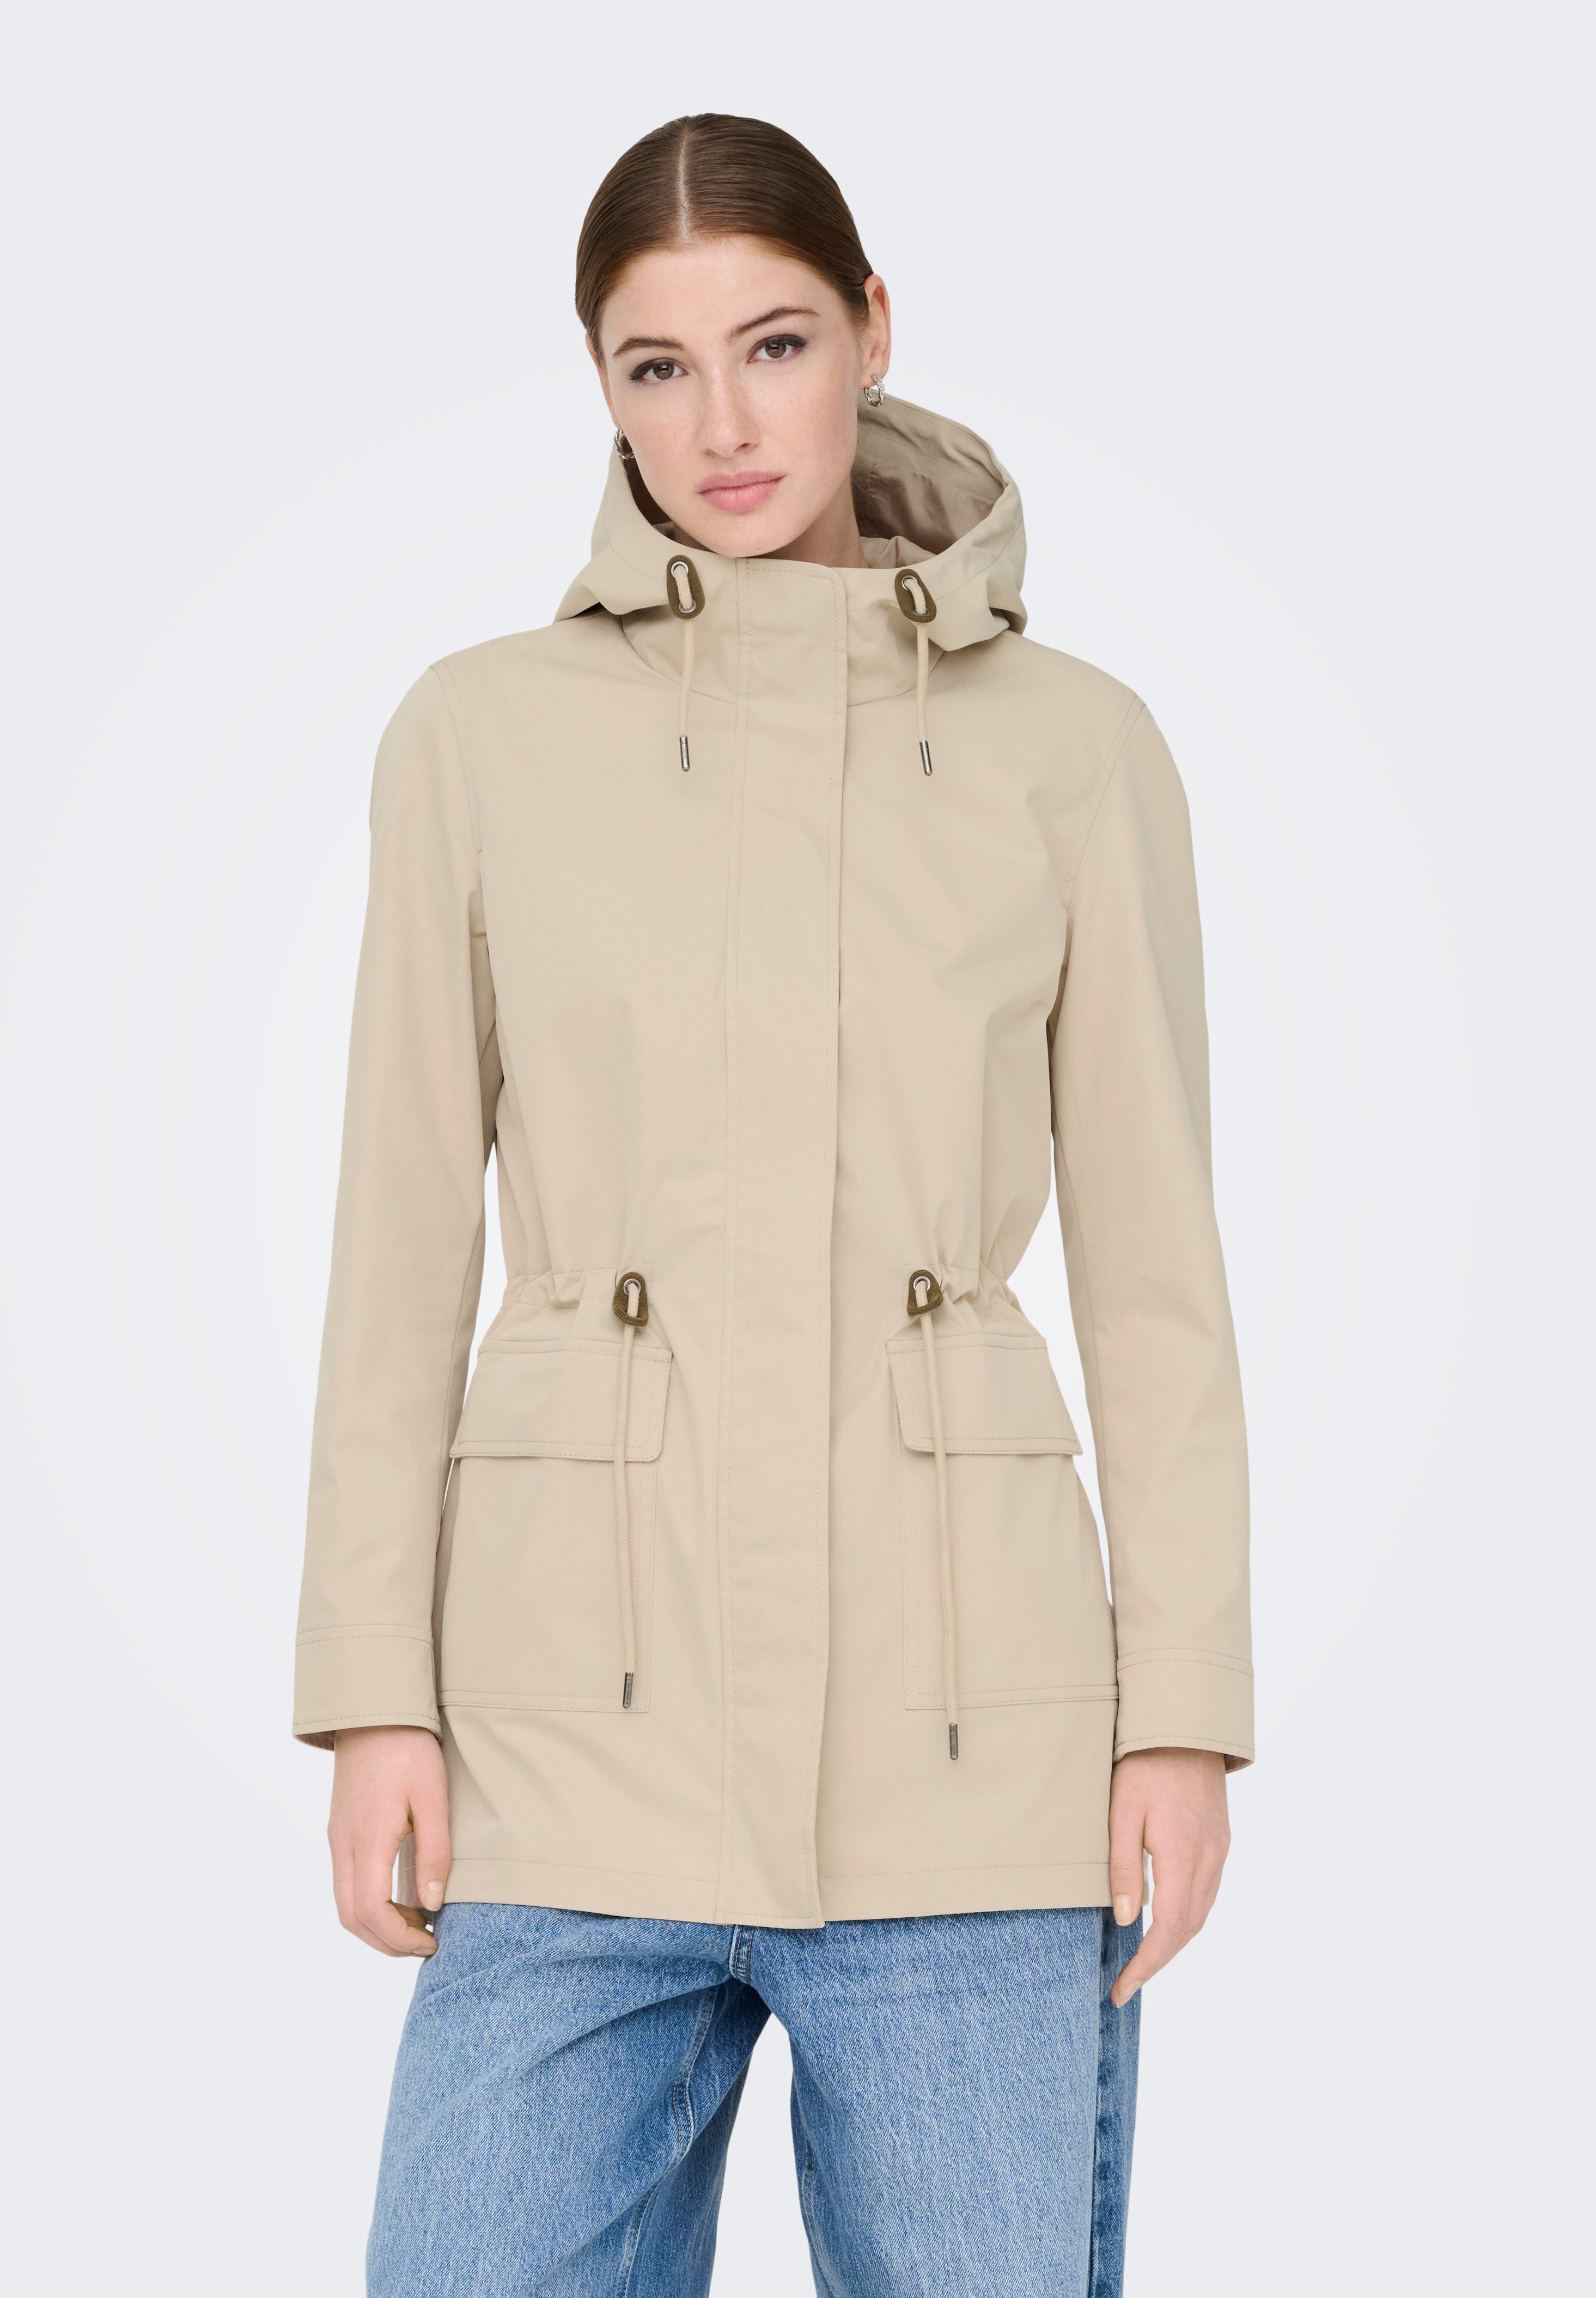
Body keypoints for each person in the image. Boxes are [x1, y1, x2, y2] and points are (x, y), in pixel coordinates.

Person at [295, 112, 1252, 2298]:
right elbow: (394, 1245)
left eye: (775, 344)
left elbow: (1155, 1273)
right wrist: (371, 1691)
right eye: (656, 365)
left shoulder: (1075, 749)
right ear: (600, 385)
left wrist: (1178, 1711)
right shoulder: (476, 737)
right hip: (562, 1731)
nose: (721, 422)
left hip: (973, 1743)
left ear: (871, 330)